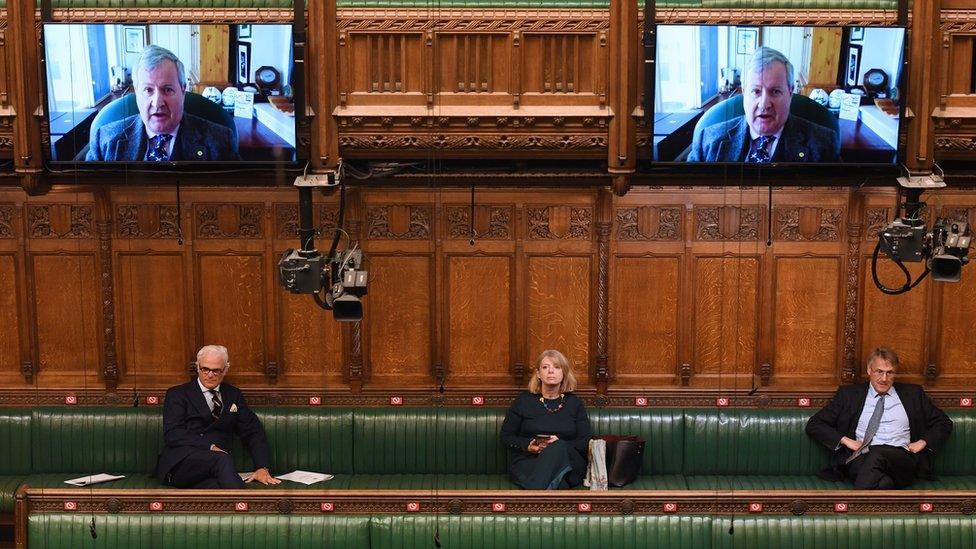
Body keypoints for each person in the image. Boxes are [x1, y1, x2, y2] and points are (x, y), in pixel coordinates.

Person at [806, 347, 953, 489]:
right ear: (869, 370)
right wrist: (847, 441)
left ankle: (854, 506)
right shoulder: (849, 396)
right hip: (861, 458)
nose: (884, 379)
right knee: (883, 482)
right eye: (879, 372)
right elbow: (815, 424)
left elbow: (944, 423)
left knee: (877, 453)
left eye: (890, 373)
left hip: (901, 460)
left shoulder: (913, 395)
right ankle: (872, 496)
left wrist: (922, 443)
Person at [156, 345, 280, 489]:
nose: (210, 375)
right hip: (181, 463)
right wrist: (211, 447)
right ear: (198, 367)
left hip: (214, 470)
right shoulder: (177, 394)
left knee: (222, 485)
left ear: (225, 370)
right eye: (205, 369)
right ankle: (243, 507)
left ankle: (242, 505)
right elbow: (173, 434)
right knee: (223, 461)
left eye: (216, 370)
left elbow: (253, 431)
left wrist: (262, 468)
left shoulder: (233, 394)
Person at [87, 45, 240, 161]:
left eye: (167, 90)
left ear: (183, 91)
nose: (157, 103)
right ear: (137, 93)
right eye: (148, 90)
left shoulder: (220, 142)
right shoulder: (105, 141)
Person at [688, 46, 839, 163]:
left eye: (775, 91)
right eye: (756, 91)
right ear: (745, 93)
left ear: (790, 93)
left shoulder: (824, 144)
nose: (764, 104)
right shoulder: (708, 141)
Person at [500, 349, 591, 489]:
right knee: (560, 484)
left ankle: (535, 496)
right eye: (545, 367)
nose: (550, 371)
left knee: (558, 446)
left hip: (569, 461)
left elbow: (585, 441)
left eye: (556, 367)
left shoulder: (574, 403)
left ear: (564, 373)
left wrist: (560, 445)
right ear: (538, 374)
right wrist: (529, 445)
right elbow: (506, 436)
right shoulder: (523, 401)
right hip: (531, 460)